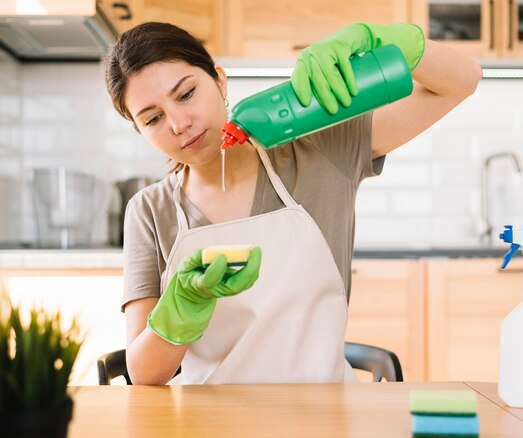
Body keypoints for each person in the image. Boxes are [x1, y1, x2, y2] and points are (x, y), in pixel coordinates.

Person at [105, 21, 482, 385]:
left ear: (219, 80)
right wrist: (179, 310)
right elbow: (144, 375)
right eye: (153, 118)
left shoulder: (321, 152)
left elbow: (462, 81)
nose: (178, 123)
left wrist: (382, 38)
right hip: (209, 422)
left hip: (324, 416)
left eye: (186, 94)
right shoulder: (150, 210)